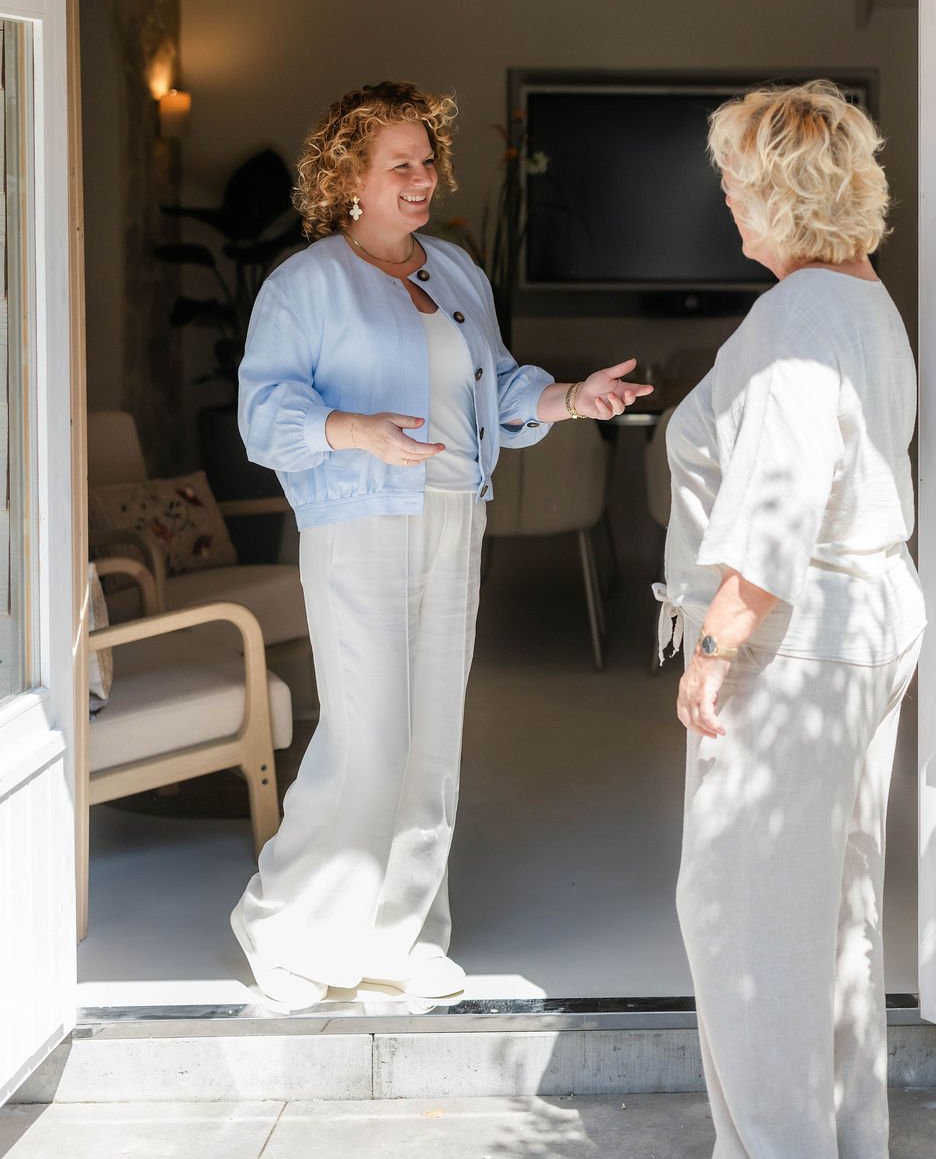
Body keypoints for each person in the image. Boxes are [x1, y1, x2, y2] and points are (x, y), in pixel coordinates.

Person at [230, 80, 651, 1009]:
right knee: (368, 735)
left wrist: (573, 397)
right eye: (400, 164)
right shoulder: (304, 284)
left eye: (427, 161)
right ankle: (285, 926)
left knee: (430, 741)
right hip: (359, 521)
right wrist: (355, 429)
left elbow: (497, 386)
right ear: (349, 177)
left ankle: (403, 936)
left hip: (456, 514)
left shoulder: (457, 272)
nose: (422, 178)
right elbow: (264, 416)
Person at [655, 81, 926, 1158]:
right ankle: (841, 1140)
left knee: (745, 920)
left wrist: (714, 647)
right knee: (834, 907)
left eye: (733, 175)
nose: (724, 194)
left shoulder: (795, 317)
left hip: (798, 639)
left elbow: (778, 501)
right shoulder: (862, 296)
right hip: (867, 618)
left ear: (781, 190)